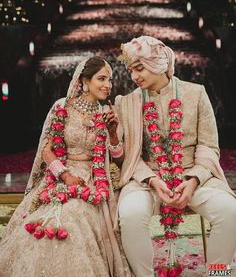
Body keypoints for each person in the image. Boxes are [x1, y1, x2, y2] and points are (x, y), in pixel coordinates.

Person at [108, 36, 236, 277]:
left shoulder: (195, 93)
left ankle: (218, 275)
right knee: (130, 214)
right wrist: (152, 180)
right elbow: (128, 156)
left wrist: (193, 180)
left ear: (158, 63)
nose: (134, 77)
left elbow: (209, 146)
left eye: (140, 68)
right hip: (147, 180)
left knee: (230, 211)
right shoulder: (126, 103)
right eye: (131, 70)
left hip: (194, 177)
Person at [0, 57, 133, 277]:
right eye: (101, 79)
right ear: (84, 81)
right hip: (60, 175)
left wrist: (112, 132)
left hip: (92, 179)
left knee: (76, 214)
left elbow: (118, 158)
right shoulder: (62, 107)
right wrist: (64, 175)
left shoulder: (107, 114)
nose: (107, 85)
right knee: (44, 220)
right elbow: (47, 150)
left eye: (109, 79)